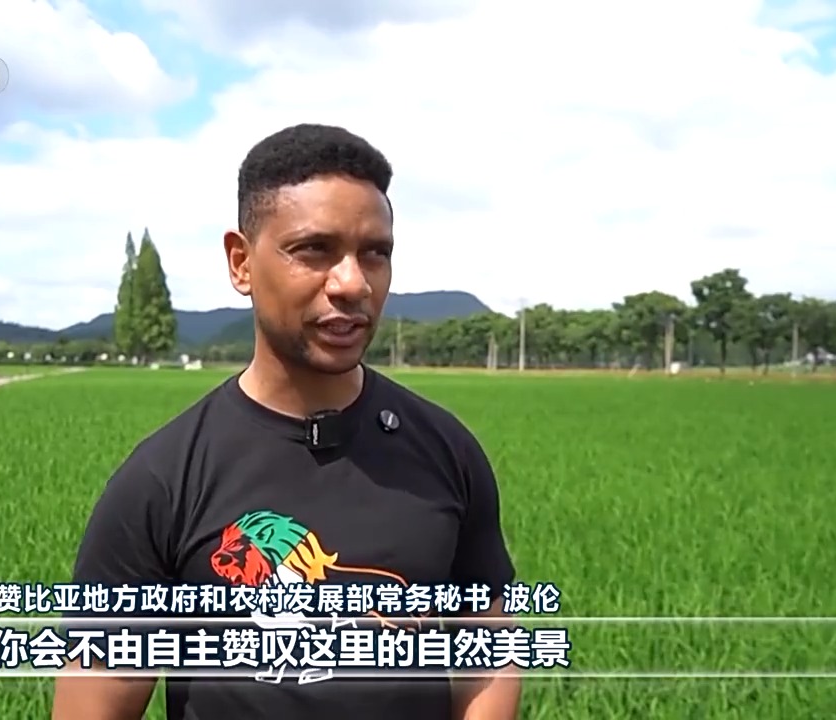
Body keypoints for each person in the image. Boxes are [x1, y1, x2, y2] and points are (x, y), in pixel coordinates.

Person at [52, 123, 520, 720]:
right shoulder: (163, 480)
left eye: (375, 253)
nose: (352, 283)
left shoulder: (447, 452)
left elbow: (488, 654)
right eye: (314, 250)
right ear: (241, 263)